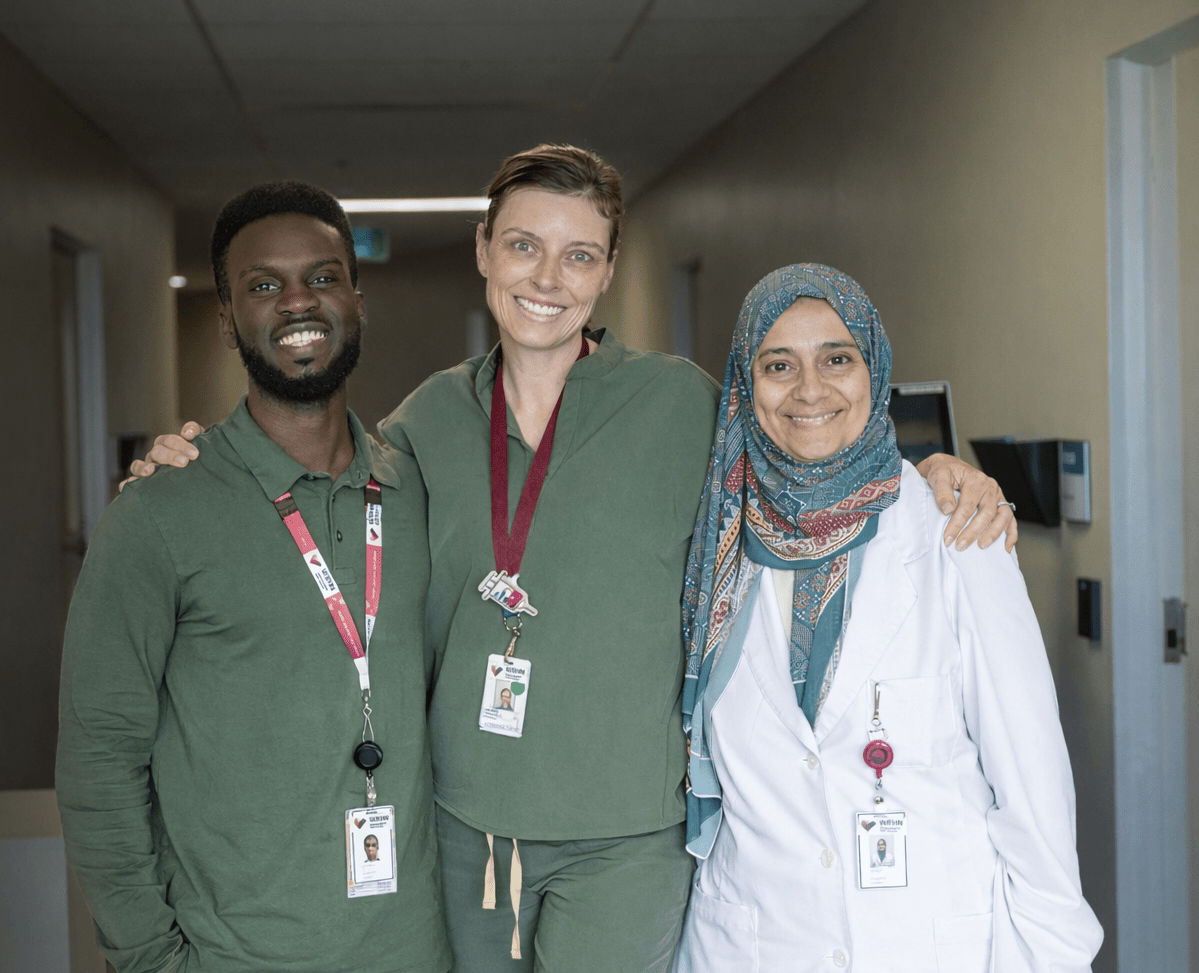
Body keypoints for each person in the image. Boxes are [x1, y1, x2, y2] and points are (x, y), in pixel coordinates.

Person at [130, 147, 1014, 972]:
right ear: (483, 250)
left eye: (579, 256)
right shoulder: (425, 422)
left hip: (627, 838)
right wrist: (189, 458)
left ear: (609, 271)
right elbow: (312, 481)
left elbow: (805, 462)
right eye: (523, 246)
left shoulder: (680, 407)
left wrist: (931, 475)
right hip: (463, 822)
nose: (547, 280)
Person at [56, 182, 450, 973]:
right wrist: (147, 959)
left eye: (323, 276)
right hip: (235, 955)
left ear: (357, 299)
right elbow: (99, 759)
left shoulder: (422, 493)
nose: (297, 301)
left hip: (417, 952)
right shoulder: (159, 514)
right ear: (229, 316)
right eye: (263, 286)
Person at [674, 264, 1101, 972]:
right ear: (746, 387)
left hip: (928, 942)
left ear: (875, 369)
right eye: (778, 365)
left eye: (837, 359)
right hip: (754, 945)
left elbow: (1033, 789)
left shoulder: (957, 532)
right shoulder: (715, 544)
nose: (810, 390)